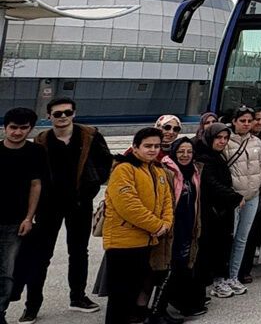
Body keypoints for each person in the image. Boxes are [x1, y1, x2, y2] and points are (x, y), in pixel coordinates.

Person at [12, 97, 112, 320]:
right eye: (57, 113)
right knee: (41, 255)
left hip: (79, 203)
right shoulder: (42, 140)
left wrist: (92, 186)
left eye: (67, 112)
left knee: (78, 252)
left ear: (74, 114)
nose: (63, 117)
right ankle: (32, 305)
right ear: (49, 116)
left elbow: (105, 163)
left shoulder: (89, 135)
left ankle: (78, 297)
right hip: (49, 205)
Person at [101, 127, 173, 324]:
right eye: (148, 146)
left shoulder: (157, 170)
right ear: (135, 147)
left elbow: (167, 200)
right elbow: (128, 205)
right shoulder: (123, 169)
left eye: (156, 146)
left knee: (133, 292)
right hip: (123, 242)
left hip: (146, 241)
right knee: (119, 296)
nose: (153, 150)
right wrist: (156, 226)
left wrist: (166, 223)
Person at [151, 137, 203, 321]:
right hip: (171, 229)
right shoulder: (166, 170)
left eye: (189, 151)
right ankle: (157, 311)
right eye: (181, 151)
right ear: (174, 152)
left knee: (181, 267)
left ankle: (171, 306)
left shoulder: (194, 171)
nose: (185, 155)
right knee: (168, 269)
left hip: (188, 226)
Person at [2, 108, 46, 324]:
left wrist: (29, 218)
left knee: (6, 271)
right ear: (5, 127)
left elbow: (36, 185)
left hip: (15, 221)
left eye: (23, 128)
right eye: (13, 127)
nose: (17, 132)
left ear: (30, 129)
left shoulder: (36, 152)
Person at [195, 124, 243, 299]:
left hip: (222, 209)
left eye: (225, 138)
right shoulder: (204, 157)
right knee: (212, 247)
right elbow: (211, 183)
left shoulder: (217, 155)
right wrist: (234, 197)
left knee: (223, 244)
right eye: (218, 138)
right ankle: (215, 283)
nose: (222, 141)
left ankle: (221, 279)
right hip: (211, 210)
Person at [224, 106, 261, 291]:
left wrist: (259, 181)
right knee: (230, 237)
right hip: (233, 197)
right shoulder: (226, 140)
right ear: (234, 121)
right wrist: (231, 191)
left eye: (250, 121)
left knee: (242, 238)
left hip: (252, 196)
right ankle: (222, 277)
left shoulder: (256, 141)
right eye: (243, 121)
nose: (247, 124)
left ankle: (234, 276)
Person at [236, 107, 261, 284]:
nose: (259, 122)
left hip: (258, 191)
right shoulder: (233, 139)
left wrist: (260, 182)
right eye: (256, 119)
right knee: (235, 233)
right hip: (237, 193)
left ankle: (244, 269)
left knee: (250, 233)